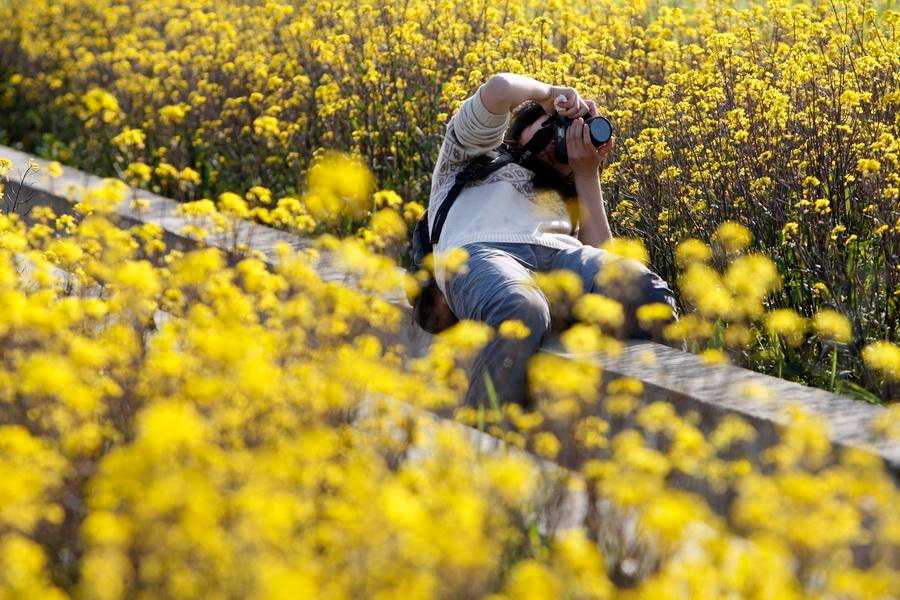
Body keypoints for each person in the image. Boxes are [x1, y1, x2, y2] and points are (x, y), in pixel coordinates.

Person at [426, 73, 677, 409]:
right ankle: (477, 439)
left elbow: (607, 274)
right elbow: (500, 88)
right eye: (553, 124)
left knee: (643, 291)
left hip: (560, 260)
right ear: (519, 131)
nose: (562, 134)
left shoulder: (567, 196)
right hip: (482, 251)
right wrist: (548, 94)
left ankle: (664, 429)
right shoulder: (473, 154)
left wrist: (586, 173)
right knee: (520, 306)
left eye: (574, 129)